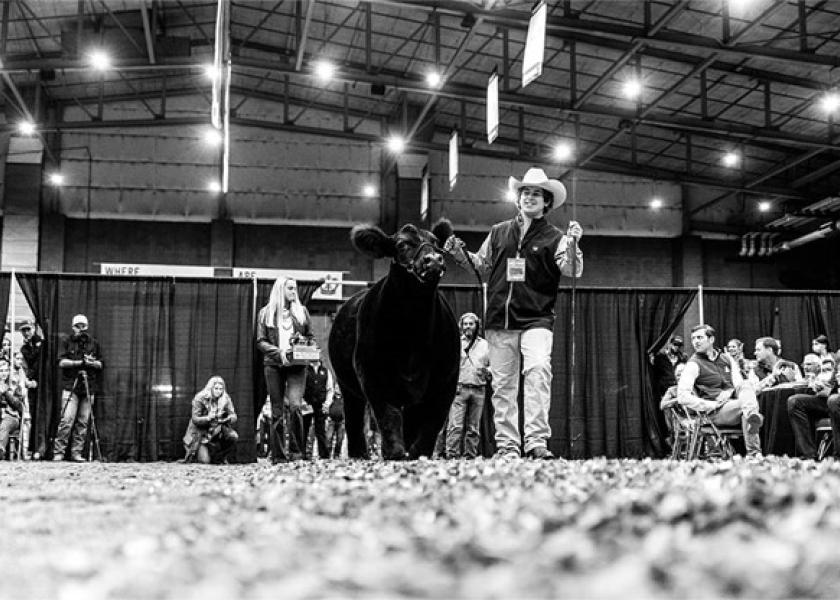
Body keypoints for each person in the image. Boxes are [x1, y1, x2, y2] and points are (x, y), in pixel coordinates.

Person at [449, 167, 583, 459]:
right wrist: (459, 253)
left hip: (537, 318)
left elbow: (571, 269)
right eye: (525, 192)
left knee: (538, 370)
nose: (530, 197)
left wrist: (574, 244)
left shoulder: (556, 236)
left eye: (536, 193)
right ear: (517, 198)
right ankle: (508, 446)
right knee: (503, 386)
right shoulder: (498, 232)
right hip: (500, 318)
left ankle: (536, 442)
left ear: (547, 202)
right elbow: (481, 265)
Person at [678, 324, 764, 457]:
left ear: (711, 339)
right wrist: (710, 405)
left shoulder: (726, 358)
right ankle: (754, 453)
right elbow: (682, 396)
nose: (696, 341)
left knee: (746, 387)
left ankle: (752, 425)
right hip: (714, 412)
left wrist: (729, 392)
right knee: (748, 408)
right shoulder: (693, 364)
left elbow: (738, 384)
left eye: (700, 337)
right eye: (693, 339)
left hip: (733, 405)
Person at [257, 277, 314, 462]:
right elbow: (261, 341)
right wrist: (278, 353)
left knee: (296, 406)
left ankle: (297, 453)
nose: (294, 291)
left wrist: (303, 343)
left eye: (295, 288)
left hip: (297, 366)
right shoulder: (265, 313)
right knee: (276, 412)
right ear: (280, 289)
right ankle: (279, 455)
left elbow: (311, 337)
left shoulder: (302, 311)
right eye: (290, 288)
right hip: (274, 365)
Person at [53, 314, 103, 462]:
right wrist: (79, 363)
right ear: (73, 327)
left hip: (88, 386)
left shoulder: (94, 343)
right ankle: (59, 452)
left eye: (83, 326)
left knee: (83, 421)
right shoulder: (66, 341)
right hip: (71, 386)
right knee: (66, 420)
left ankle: (76, 453)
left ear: (86, 327)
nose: (80, 329)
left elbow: (101, 364)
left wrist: (91, 363)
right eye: (77, 326)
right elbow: (61, 362)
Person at [445, 312, 491, 459]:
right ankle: (452, 456)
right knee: (455, 426)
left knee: (473, 428)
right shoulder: (456, 343)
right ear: (461, 326)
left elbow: (494, 365)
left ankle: (470, 456)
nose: (468, 327)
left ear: (477, 325)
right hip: (460, 389)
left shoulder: (485, 345)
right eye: (465, 324)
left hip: (479, 390)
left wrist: (488, 371)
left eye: (471, 324)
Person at [787, 356, 838, 460]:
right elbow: (830, 386)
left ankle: (838, 455)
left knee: (833, 400)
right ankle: (808, 454)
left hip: (835, 400)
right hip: (830, 399)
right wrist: (820, 386)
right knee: (795, 401)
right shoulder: (838, 360)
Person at [182, 375, 238, 464]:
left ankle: (220, 457)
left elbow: (234, 415)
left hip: (216, 431)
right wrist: (208, 418)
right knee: (205, 461)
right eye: (216, 388)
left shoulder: (225, 398)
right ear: (211, 388)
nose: (219, 391)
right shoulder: (200, 397)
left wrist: (228, 419)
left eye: (221, 389)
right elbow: (195, 419)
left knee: (233, 437)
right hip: (200, 434)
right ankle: (198, 453)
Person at [302, 356, 333, 460]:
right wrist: (303, 402)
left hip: (321, 405)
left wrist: (327, 403)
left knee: (320, 430)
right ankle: (302, 454)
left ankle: (323, 455)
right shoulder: (304, 370)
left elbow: (330, 389)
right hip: (307, 404)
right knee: (304, 429)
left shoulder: (326, 371)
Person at [20, 319, 42, 459]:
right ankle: (33, 448)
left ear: (33, 329)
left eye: (28, 329)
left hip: (43, 381)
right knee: (33, 414)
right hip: (33, 383)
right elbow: (32, 358)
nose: (26, 333)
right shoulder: (25, 348)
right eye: (23, 330)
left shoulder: (41, 341)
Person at [651, 334, 687, 402]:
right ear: (670, 344)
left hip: (676, 390)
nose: (677, 347)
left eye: (679, 345)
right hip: (663, 390)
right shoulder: (660, 357)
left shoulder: (683, 358)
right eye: (675, 344)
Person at [0, 359, 24, 460]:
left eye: (6, 370)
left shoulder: (14, 385)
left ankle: (0, 450)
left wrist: (6, 393)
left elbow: (19, 406)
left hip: (11, 417)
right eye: (1, 370)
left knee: (5, 424)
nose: (4, 373)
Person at [324, 388, 345, 458]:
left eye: (339, 387)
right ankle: (328, 454)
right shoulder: (331, 397)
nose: (338, 389)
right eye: (336, 387)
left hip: (341, 421)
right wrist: (327, 416)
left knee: (340, 438)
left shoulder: (344, 398)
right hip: (331, 421)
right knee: (328, 438)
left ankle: (336, 455)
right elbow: (326, 406)